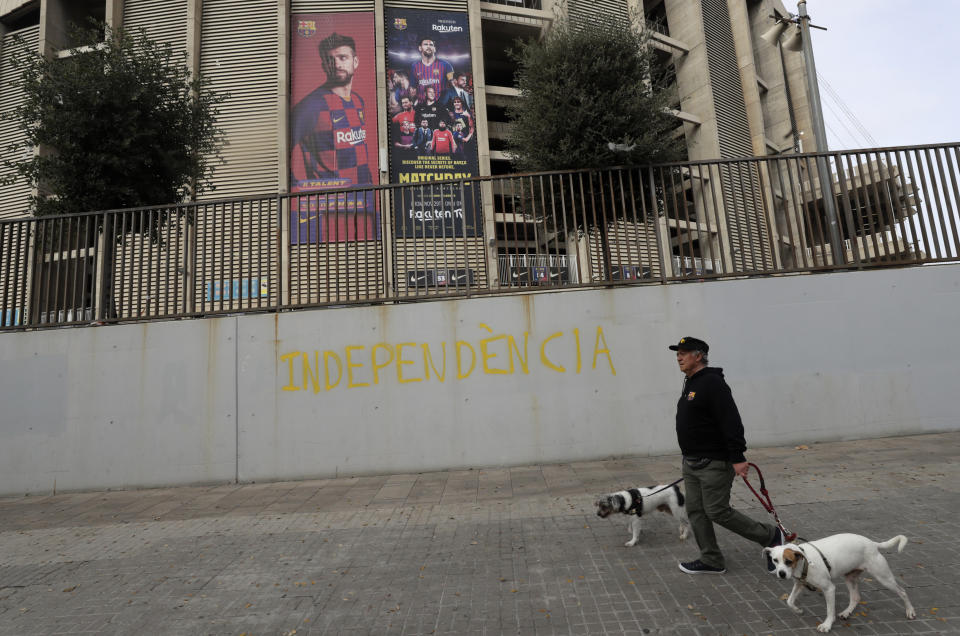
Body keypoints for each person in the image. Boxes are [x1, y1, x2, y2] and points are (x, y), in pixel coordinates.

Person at [669, 337, 785, 575]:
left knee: (717, 511)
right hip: (691, 462)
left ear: (699, 356)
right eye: (677, 353)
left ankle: (771, 536)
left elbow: (730, 420)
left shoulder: (712, 383)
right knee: (695, 510)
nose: (679, 357)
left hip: (714, 462)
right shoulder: (691, 382)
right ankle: (711, 559)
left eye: (684, 353)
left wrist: (738, 456)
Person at [289, 32, 375, 240]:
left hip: (365, 199)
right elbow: (285, 150)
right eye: (330, 59)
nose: (336, 63)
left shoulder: (358, 100)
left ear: (355, 61)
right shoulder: (311, 105)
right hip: (330, 204)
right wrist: (304, 187)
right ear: (323, 66)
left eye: (342, 57)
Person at [410, 36, 454, 104]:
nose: (428, 46)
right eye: (425, 44)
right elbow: (413, 88)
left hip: (441, 106)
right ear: (420, 48)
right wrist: (414, 101)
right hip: (422, 106)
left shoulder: (446, 65)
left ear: (434, 49)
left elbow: (453, 86)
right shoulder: (414, 66)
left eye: (431, 45)